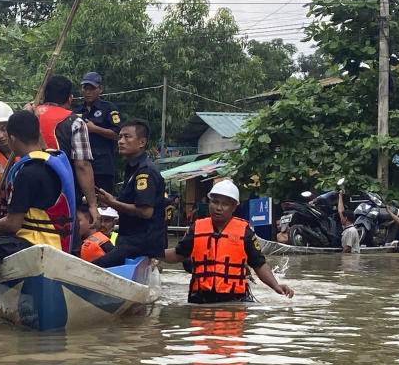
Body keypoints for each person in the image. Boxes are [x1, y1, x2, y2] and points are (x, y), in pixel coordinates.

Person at [0, 110, 76, 329]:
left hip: (35, 239)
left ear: (12, 138)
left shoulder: (28, 173)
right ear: (38, 134)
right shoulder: (55, 158)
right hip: (59, 239)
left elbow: (12, 224)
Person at [163, 179, 294, 303]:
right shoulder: (196, 228)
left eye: (224, 204)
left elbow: (259, 264)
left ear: (233, 207)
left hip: (234, 300)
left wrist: (276, 286)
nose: (218, 208)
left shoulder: (245, 232)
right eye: (215, 202)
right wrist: (152, 253)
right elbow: (178, 254)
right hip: (200, 299)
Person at [93, 119, 166, 267]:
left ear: (142, 142)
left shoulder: (145, 172)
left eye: (127, 137)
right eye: (120, 137)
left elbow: (146, 211)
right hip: (129, 240)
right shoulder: (132, 168)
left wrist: (112, 203)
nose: (121, 141)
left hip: (139, 243)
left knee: (91, 267)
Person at [32, 75, 100, 230]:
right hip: (61, 195)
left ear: (43, 96)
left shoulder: (28, 115)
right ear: (70, 98)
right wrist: (92, 205)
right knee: (65, 242)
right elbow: (82, 165)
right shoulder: (75, 122)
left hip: (27, 193)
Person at [73, 71, 122, 193]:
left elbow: (119, 134)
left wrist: (95, 129)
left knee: (104, 204)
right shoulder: (77, 110)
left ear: (100, 89)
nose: (88, 92)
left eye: (92, 88)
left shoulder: (109, 108)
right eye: (85, 88)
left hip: (102, 167)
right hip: (81, 165)